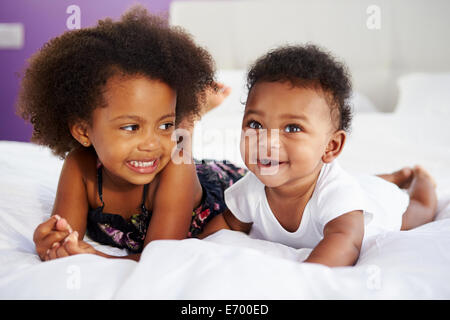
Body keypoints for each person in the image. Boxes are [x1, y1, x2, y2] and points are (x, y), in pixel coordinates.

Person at [17, 6, 243, 262]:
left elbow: (160, 256)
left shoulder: (177, 169)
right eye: (131, 127)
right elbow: (68, 237)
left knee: (180, 147)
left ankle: (190, 114)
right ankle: (185, 117)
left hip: (217, 181)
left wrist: (97, 256)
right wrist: (52, 241)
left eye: (165, 124)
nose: (150, 144)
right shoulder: (80, 166)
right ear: (83, 131)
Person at [200, 45, 438, 267]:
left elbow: (346, 240)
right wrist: (197, 249)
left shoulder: (337, 194)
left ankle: (419, 179)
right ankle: (394, 175)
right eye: (255, 124)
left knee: (419, 212)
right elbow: (229, 223)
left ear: (331, 147)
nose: (267, 141)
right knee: (360, 181)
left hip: (378, 203)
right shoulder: (251, 188)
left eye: (292, 128)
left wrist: (304, 277)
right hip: (357, 184)